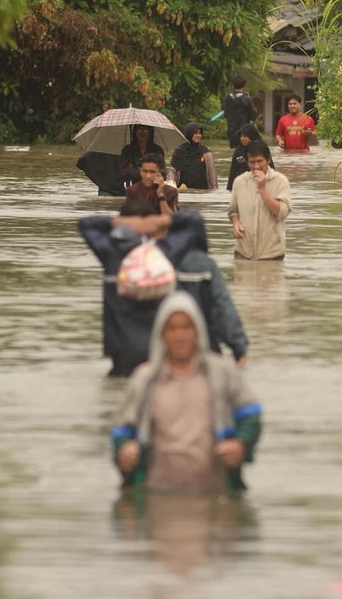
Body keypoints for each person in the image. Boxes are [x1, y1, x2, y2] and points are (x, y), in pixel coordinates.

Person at [109, 292, 262, 493]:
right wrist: (124, 450)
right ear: (161, 334)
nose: (180, 335)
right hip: (156, 498)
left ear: (198, 331)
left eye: (186, 327)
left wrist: (240, 445)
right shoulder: (145, 379)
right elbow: (121, 428)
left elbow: (250, 413)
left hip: (216, 500)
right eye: (172, 328)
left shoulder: (221, 373)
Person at [79, 201, 249, 376]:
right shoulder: (177, 255)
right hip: (185, 361)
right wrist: (239, 347)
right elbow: (221, 308)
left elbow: (86, 224)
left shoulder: (113, 257)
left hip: (127, 359)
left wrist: (118, 222)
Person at [228, 141, 291, 261]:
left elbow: (281, 212)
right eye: (252, 162)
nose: (256, 166)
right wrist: (236, 223)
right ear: (247, 161)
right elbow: (233, 211)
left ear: (268, 160)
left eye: (259, 161)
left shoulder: (281, 181)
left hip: (272, 253)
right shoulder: (240, 182)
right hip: (243, 252)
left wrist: (263, 189)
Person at [168, 123, 217, 190]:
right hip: (183, 190)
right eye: (196, 133)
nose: (198, 135)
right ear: (189, 133)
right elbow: (173, 170)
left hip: (202, 192)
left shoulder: (206, 153)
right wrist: (171, 185)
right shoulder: (179, 151)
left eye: (200, 133)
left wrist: (214, 191)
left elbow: (212, 175)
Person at [227, 124, 274, 192]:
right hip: (243, 187)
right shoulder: (238, 152)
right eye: (241, 136)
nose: (242, 138)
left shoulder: (262, 149)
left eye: (245, 136)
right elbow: (233, 172)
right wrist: (231, 188)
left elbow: (270, 169)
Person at [223, 76, 259, 149]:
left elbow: (225, 114)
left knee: (234, 154)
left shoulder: (227, 99)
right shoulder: (246, 99)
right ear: (244, 86)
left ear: (233, 86)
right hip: (244, 133)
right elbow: (253, 116)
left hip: (231, 133)